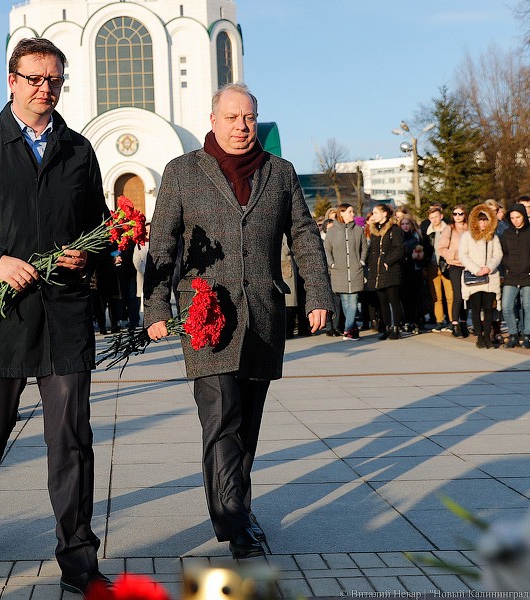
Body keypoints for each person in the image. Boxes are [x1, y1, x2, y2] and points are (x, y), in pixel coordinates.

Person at [0, 37, 111, 595]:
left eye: (54, 79)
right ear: (11, 80)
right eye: (34, 78)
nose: (44, 88)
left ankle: (78, 557)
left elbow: (100, 226)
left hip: (63, 316)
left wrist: (88, 253)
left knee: (71, 437)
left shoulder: (79, 150)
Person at [144, 83, 332, 559]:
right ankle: (233, 522)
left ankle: (239, 509)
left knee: (246, 422)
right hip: (206, 318)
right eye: (232, 118)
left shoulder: (279, 171)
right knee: (221, 418)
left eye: (249, 117)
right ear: (213, 120)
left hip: (263, 314)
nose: (242, 126)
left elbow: (304, 236)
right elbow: (162, 244)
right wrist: (156, 308)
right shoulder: (182, 171)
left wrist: (318, 294)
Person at [499, 204, 530, 348]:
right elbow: (502, 253)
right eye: (512, 218)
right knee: (506, 306)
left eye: (518, 217)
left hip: (529, 275)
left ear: (524, 216)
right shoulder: (506, 234)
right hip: (511, 275)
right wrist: (508, 264)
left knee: (528, 306)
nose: (515, 220)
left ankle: (527, 336)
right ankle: (513, 334)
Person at [458, 204, 503, 349]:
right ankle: (479, 336)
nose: (482, 223)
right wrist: (476, 270)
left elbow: (498, 254)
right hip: (474, 277)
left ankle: (487, 336)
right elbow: (463, 255)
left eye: (485, 220)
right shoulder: (467, 236)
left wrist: (489, 267)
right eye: (480, 220)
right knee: (476, 308)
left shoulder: (493, 237)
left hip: (490, 277)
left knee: (489, 308)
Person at [323, 203, 366, 340]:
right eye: (350, 211)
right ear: (341, 213)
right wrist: (332, 263)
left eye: (353, 211)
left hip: (355, 270)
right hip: (339, 271)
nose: (353, 214)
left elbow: (364, 248)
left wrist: (361, 261)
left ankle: (347, 328)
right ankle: (352, 329)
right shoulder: (332, 231)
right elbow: (327, 249)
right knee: (345, 301)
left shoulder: (358, 230)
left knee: (353, 300)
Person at [365, 204, 405, 340]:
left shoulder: (394, 229)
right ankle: (387, 327)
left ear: (385, 214)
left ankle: (396, 327)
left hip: (390, 270)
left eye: (376, 213)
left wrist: (388, 261)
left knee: (393, 300)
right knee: (382, 301)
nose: (374, 215)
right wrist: (370, 263)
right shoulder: (375, 230)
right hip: (377, 272)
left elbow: (399, 249)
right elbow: (372, 250)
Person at [436, 204, 470, 338]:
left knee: (467, 295)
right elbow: (441, 248)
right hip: (455, 264)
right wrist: (454, 255)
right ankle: (455, 323)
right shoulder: (449, 228)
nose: (457, 216)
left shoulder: (470, 228)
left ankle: (464, 322)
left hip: (469, 265)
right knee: (457, 294)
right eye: (455, 214)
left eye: (460, 214)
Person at [398, 215, 426, 333]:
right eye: (403, 224)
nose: (405, 226)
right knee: (405, 298)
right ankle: (406, 321)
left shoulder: (416, 238)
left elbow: (423, 251)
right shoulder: (399, 238)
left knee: (416, 298)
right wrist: (410, 256)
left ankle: (416, 321)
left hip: (415, 270)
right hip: (404, 271)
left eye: (407, 224)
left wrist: (420, 255)